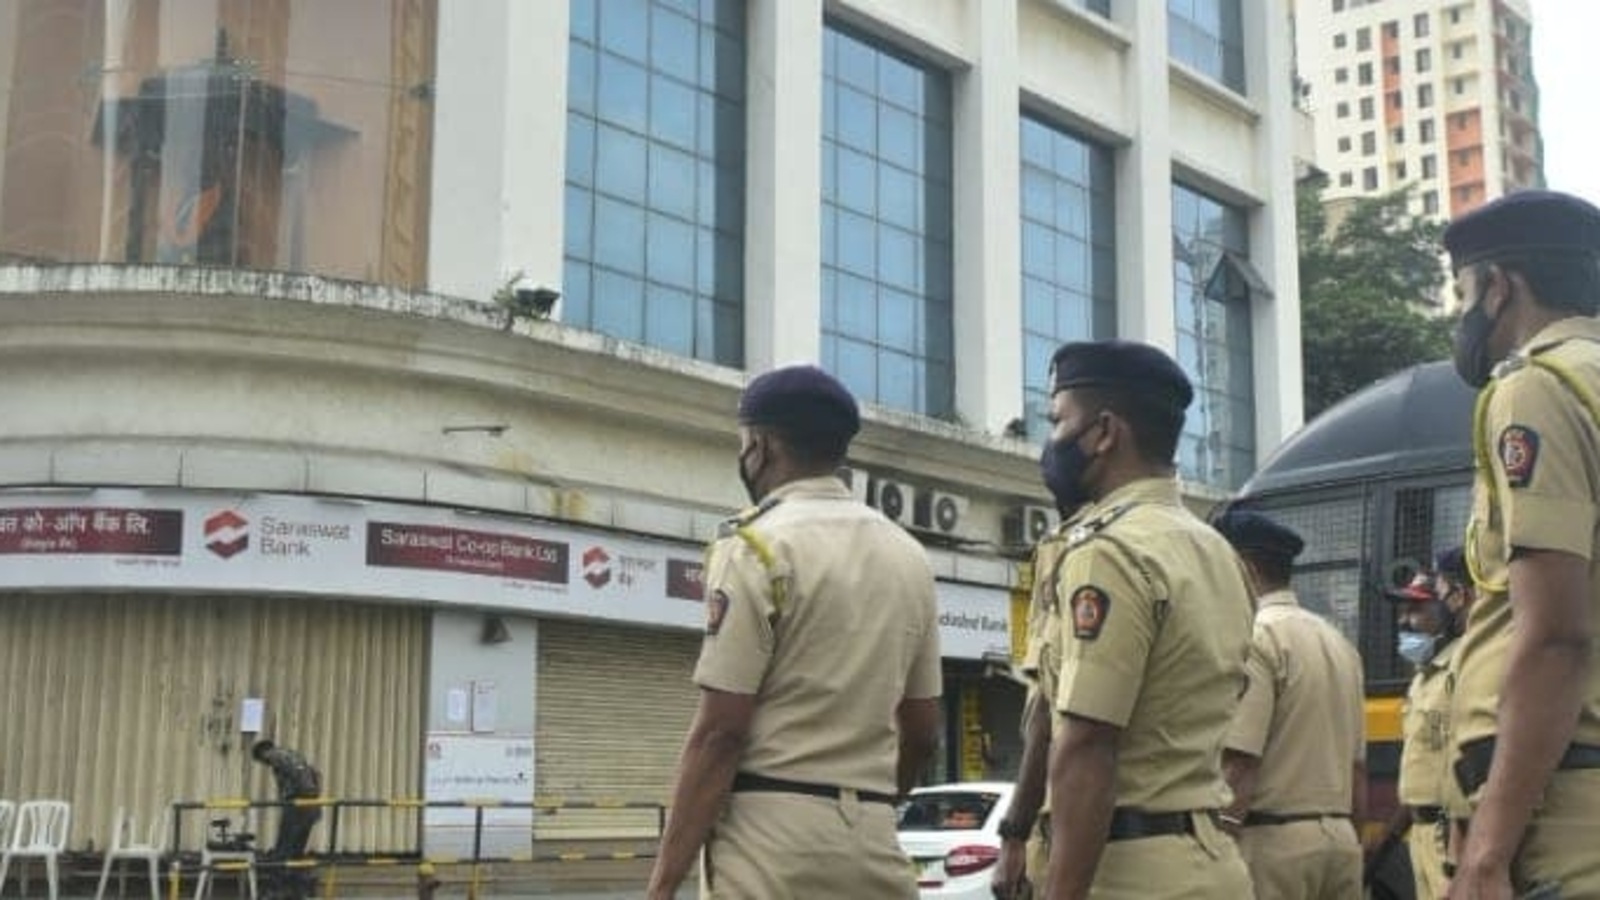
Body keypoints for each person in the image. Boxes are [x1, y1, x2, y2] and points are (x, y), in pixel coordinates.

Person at [645, 364, 942, 900]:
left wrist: (663, 883)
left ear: (761, 445)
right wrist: (864, 809)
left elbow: (721, 733)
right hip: (875, 842)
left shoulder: (757, 545)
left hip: (770, 847)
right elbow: (922, 733)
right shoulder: (910, 557)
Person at [992, 340, 1256, 900]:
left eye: (1058, 421)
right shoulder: (1215, 551)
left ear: (1103, 432)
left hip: (1128, 872)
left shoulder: (1107, 552)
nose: (1051, 442)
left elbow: (1087, 743)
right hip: (1211, 862)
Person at [1442, 189, 1600, 899]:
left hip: (1564, 808)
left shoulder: (1539, 386)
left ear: (1500, 286)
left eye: (1463, 292)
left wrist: (1486, 853)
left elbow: (1557, 635)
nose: (1462, 314)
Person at [1211, 510, 1366, 900]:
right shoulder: (1339, 643)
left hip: (1272, 848)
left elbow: (1240, 763)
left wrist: (1216, 855)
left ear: (1243, 568)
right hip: (1341, 841)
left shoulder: (1257, 637)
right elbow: (1358, 770)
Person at [1370, 549, 1476, 900]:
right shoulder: (1423, 678)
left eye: (1416, 609)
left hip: (1452, 839)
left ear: (1451, 605)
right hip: (1420, 836)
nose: (1404, 621)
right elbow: (1420, 775)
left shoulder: (1465, 667)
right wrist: (1383, 846)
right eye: (1402, 611)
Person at [250, 739, 322, 899]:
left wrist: (296, 796)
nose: (265, 764)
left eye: (262, 760)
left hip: (297, 807)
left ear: (263, 753)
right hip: (310, 807)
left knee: (284, 849)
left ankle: (277, 889)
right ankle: (297, 890)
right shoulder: (295, 755)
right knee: (296, 850)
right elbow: (316, 774)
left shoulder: (276, 755)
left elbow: (300, 776)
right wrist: (313, 796)